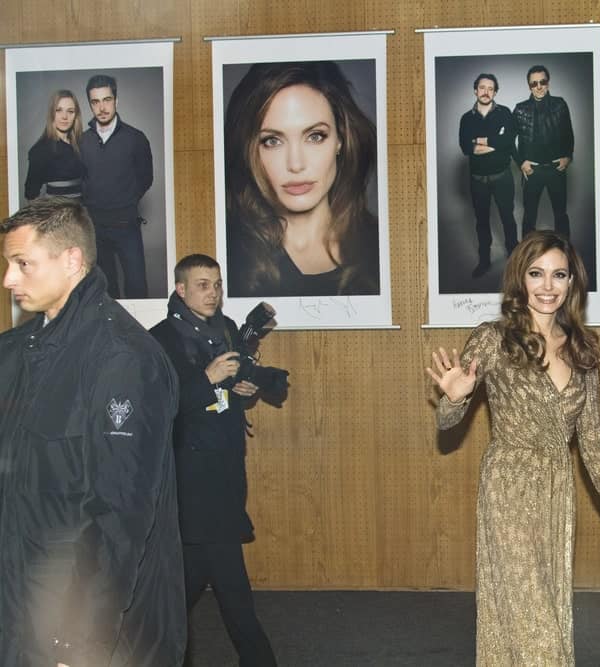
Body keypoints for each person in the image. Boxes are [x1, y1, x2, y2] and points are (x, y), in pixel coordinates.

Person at [426, 230, 600, 664]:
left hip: (556, 492)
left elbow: (594, 445)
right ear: (520, 279)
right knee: (535, 625)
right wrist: (453, 398)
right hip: (508, 486)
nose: (548, 287)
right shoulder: (492, 339)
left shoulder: (583, 350)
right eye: (536, 274)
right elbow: (447, 423)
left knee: (544, 607)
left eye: (559, 275)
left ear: (572, 283)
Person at [0, 197, 185, 666]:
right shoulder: (16, 351)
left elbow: (117, 516)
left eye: (23, 264)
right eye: (7, 264)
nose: (9, 280)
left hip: (90, 633)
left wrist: (78, 642)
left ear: (72, 260)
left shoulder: (123, 359)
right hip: (23, 610)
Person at [150, 254, 278, 667]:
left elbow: (225, 400)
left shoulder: (224, 331)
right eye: (202, 284)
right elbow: (158, 408)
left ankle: (144, 648)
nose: (213, 293)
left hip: (224, 470)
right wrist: (206, 380)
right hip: (188, 474)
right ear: (181, 290)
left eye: (218, 284)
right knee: (229, 584)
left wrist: (245, 392)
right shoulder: (160, 340)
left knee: (191, 581)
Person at [226, 60, 380, 297]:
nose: (296, 164)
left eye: (315, 136)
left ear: (340, 139)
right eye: (272, 141)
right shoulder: (227, 256)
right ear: (249, 150)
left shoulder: (384, 246)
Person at [80, 74, 155, 299]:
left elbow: (146, 178)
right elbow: (79, 180)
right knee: (105, 288)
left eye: (107, 99)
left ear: (116, 101)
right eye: (96, 102)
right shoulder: (82, 141)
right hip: (95, 227)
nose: (102, 107)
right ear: (90, 104)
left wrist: (124, 200)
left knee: (136, 286)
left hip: (126, 225)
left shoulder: (135, 138)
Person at [459, 73, 518, 278]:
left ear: (495, 92)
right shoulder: (466, 119)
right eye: (482, 87)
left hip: (502, 178)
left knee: (507, 218)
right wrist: (494, 143)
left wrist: (480, 140)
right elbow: (466, 148)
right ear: (475, 90)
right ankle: (484, 261)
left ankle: (514, 258)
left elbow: (509, 142)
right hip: (478, 181)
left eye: (490, 88)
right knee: (481, 221)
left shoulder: (505, 113)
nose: (486, 92)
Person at [511, 66, 575, 238]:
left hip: (556, 169)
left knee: (560, 215)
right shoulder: (520, 109)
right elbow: (509, 141)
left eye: (542, 82)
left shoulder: (560, 104)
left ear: (548, 83)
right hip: (533, 171)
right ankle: (526, 257)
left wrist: (568, 157)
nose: (538, 86)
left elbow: (569, 133)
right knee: (529, 217)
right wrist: (521, 163)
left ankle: (565, 253)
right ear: (529, 86)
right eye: (534, 83)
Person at [23, 89, 86, 200]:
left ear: (76, 115)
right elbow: (31, 194)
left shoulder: (82, 144)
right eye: (59, 110)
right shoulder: (40, 150)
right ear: (52, 112)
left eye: (70, 111)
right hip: (57, 215)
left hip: (82, 213)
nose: (64, 116)